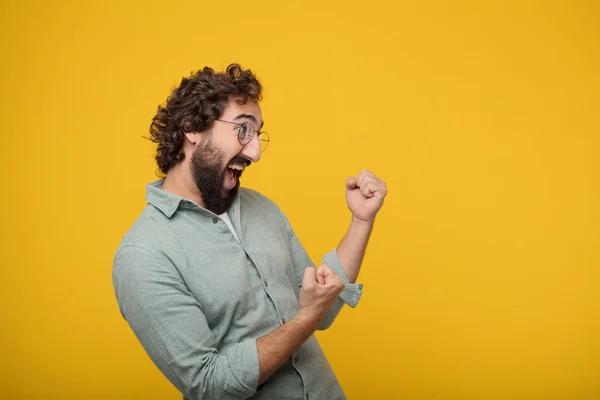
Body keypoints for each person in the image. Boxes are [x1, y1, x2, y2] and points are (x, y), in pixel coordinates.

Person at [112, 64, 387, 400]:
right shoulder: (143, 256)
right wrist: (306, 317)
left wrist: (361, 221)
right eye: (243, 130)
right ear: (192, 128)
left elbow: (323, 307)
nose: (254, 152)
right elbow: (210, 385)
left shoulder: (261, 208)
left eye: (258, 135)